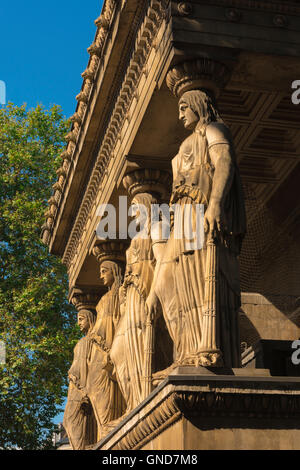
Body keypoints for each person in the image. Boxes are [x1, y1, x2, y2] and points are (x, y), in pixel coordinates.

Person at [147, 89, 246, 369]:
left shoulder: (213, 130)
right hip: (183, 220)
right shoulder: (184, 146)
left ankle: (212, 350)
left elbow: (224, 162)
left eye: (183, 107)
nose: (179, 114)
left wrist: (215, 204)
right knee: (177, 286)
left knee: (204, 279)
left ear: (198, 106)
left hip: (201, 212)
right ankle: (188, 351)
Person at [87, 260, 126, 439]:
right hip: (97, 352)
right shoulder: (104, 299)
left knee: (107, 398)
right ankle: (103, 435)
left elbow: (118, 320)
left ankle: (107, 436)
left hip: (108, 348)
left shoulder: (119, 293)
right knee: (96, 394)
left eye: (104, 271)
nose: (100, 276)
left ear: (114, 271)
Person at [63, 309, 95, 450]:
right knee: (67, 421)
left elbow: (86, 367)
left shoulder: (87, 341)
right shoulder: (82, 342)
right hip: (74, 386)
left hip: (79, 388)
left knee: (72, 420)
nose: (78, 324)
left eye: (81, 319)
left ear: (90, 318)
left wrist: (83, 390)